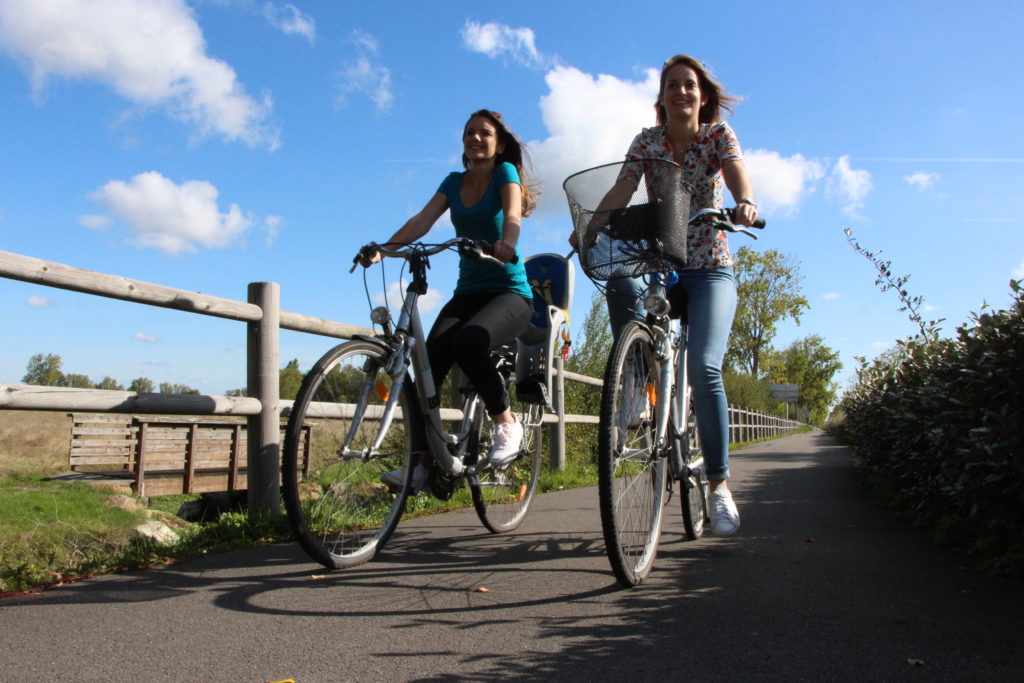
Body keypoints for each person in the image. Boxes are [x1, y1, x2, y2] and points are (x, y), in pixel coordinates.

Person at [575, 55, 759, 536]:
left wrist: (745, 202)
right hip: (662, 267)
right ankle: (636, 381)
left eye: (689, 86)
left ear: (703, 95)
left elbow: (736, 170)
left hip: (710, 269)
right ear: (662, 97)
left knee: (704, 366)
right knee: (620, 283)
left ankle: (719, 486)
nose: (681, 93)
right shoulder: (647, 141)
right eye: (672, 86)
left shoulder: (717, 136)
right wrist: (592, 227)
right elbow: (623, 187)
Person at [363, 109, 537, 492]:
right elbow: (422, 221)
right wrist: (384, 249)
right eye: (469, 133)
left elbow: (512, 213)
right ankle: (424, 462)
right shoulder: (453, 182)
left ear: (500, 143)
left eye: (485, 133)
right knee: (427, 362)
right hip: (468, 295)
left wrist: (507, 244)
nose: (476, 138)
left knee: (469, 342)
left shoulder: (504, 174)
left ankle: (506, 423)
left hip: (509, 293)